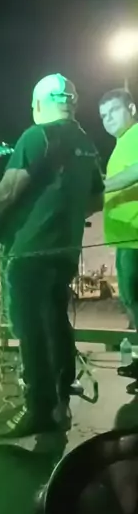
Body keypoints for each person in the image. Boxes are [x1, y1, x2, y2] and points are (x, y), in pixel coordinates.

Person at [0, 74, 104, 439]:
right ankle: (60, 399)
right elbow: (96, 199)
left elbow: (8, 190)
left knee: (30, 328)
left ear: (39, 104)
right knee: (55, 321)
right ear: (72, 103)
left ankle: (38, 409)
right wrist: (61, 215)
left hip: (31, 250)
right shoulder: (86, 144)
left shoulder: (37, 136)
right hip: (65, 250)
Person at [99, 89, 138, 376]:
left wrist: (100, 185)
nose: (107, 119)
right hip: (127, 238)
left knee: (133, 298)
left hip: (135, 237)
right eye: (103, 115)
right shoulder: (122, 144)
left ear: (132, 109)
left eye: (113, 111)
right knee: (131, 300)